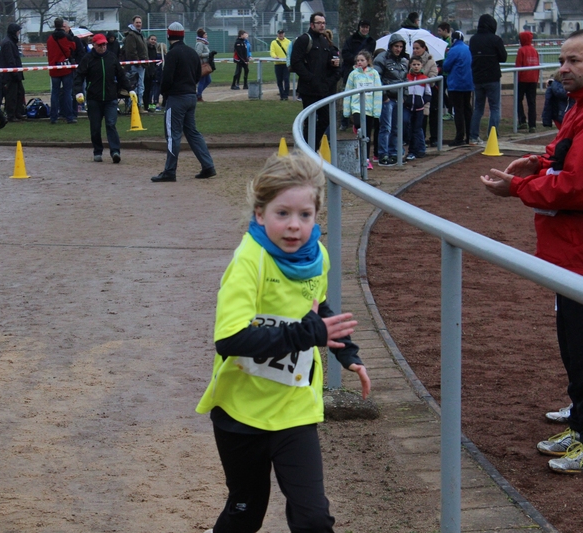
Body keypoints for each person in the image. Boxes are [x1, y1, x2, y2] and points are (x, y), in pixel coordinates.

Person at [480, 29, 583, 474]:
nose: (563, 68)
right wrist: (539, 164)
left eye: (574, 61)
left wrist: (519, 188)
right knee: (575, 341)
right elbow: (566, 157)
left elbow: (582, 187)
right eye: (562, 60)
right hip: (576, 248)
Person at [196, 151, 371, 533]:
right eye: (283, 213)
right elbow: (230, 338)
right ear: (260, 214)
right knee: (245, 513)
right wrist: (308, 334)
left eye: (305, 215)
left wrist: (347, 352)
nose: (294, 225)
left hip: (295, 409)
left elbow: (317, 307)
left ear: (316, 216)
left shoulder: (317, 256)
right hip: (241, 411)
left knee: (314, 520)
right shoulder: (250, 261)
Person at [150, 22, 215, 183]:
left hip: (176, 98)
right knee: (192, 132)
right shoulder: (192, 52)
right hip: (191, 96)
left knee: (173, 135)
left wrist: (164, 94)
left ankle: (169, 171)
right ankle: (208, 165)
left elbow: (167, 79)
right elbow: (198, 74)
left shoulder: (172, 54)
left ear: (169, 35)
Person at [73, 33, 130, 163]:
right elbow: (79, 76)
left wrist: (129, 89)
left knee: (111, 124)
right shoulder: (87, 59)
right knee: (95, 127)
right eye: (100, 45)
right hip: (94, 98)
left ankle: (115, 151)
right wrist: (78, 92)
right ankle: (97, 151)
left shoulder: (112, 57)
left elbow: (121, 75)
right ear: (94, 45)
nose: (103, 47)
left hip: (111, 98)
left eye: (104, 44)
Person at [291, 12, 341, 151]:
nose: (322, 26)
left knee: (326, 119)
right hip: (308, 89)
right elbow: (296, 62)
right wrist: (310, 78)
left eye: (323, 23)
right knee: (309, 121)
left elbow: (327, 63)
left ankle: (312, 146)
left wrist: (334, 64)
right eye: (319, 23)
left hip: (323, 89)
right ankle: (308, 150)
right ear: (312, 24)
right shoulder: (304, 40)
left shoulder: (324, 41)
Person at [468, 14, 507, 144]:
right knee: (494, 107)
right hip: (492, 77)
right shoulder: (496, 39)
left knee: (478, 108)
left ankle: (473, 136)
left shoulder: (473, 39)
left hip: (477, 77)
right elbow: (503, 57)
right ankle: (492, 136)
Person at [372, 33, 408, 165]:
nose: (398, 49)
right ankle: (383, 154)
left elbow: (405, 80)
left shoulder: (404, 61)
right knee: (386, 127)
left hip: (399, 98)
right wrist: (384, 96)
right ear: (391, 46)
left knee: (397, 127)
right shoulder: (381, 58)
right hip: (387, 99)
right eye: (396, 46)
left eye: (400, 47)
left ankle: (394, 153)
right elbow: (376, 78)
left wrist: (404, 96)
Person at [343, 51, 382, 169]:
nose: (359, 62)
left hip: (369, 107)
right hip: (357, 106)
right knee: (359, 124)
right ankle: (356, 127)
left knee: (367, 135)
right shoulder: (353, 74)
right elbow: (348, 91)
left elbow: (378, 92)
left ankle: (366, 159)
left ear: (368, 61)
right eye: (358, 60)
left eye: (362, 60)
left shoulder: (374, 73)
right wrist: (346, 110)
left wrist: (377, 111)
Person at [443, 30, 474, 146]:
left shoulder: (453, 50)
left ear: (453, 39)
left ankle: (459, 137)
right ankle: (470, 135)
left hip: (456, 84)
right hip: (468, 83)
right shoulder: (468, 48)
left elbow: (446, 66)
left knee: (458, 110)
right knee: (467, 109)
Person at [47, 18, 77, 124]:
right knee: (67, 93)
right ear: (62, 26)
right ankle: (69, 116)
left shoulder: (50, 38)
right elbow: (73, 47)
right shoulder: (67, 37)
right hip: (65, 68)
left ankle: (53, 117)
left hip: (54, 68)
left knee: (54, 93)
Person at [411, 40, 438, 144]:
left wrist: (423, 78)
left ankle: (434, 138)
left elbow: (433, 75)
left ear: (424, 48)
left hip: (429, 90)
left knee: (432, 114)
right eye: (414, 48)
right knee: (420, 115)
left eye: (417, 48)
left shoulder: (431, 61)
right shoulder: (411, 60)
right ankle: (420, 139)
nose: (415, 50)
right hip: (416, 91)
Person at [404, 56, 431, 160]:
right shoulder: (407, 77)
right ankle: (413, 150)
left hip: (419, 109)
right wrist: (405, 100)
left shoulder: (424, 79)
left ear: (421, 66)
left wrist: (422, 102)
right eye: (414, 64)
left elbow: (428, 94)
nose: (416, 67)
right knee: (408, 127)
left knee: (417, 129)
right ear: (410, 65)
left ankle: (418, 150)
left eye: (418, 64)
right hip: (408, 107)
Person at [0, 23, 25, 122]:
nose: (19, 33)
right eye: (18, 31)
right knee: (12, 95)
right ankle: (11, 115)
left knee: (20, 93)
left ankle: (17, 113)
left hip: (15, 73)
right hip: (10, 74)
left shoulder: (10, 42)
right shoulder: (8, 43)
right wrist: (15, 73)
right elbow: (10, 60)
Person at [515, 31, 539, 133]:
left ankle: (522, 120)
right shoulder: (534, 50)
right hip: (533, 79)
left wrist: (517, 79)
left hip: (522, 80)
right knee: (532, 102)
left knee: (518, 100)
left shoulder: (521, 50)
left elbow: (518, 66)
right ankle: (532, 125)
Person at [123, 15, 147, 103]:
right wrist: (138, 62)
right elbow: (131, 51)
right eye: (137, 22)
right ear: (133, 23)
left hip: (141, 64)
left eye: (140, 22)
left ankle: (138, 104)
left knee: (140, 86)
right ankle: (134, 105)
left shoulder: (139, 34)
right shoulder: (132, 35)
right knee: (136, 86)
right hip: (136, 65)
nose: (138, 24)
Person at [436, 22, 453, 121]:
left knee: (449, 92)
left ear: (445, 30)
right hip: (443, 72)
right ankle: (449, 109)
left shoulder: (450, 42)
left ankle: (450, 111)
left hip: (448, 72)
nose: (438, 32)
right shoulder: (442, 41)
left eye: (440, 31)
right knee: (440, 91)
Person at [270, 29, 290, 101]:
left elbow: (290, 51)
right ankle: (282, 95)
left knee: (286, 79)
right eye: (279, 33)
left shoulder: (288, 42)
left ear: (284, 34)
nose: (280, 35)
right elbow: (272, 51)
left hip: (286, 64)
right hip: (278, 64)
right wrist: (275, 56)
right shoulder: (274, 42)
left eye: (282, 33)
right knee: (279, 80)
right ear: (277, 34)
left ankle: (286, 95)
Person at [195, 29, 211, 102]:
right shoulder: (200, 44)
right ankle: (198, 96)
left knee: (208, 80)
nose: (206, 36)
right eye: (205, 34)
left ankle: (198, 94)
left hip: (205, 64)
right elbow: (198, 54)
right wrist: (208, 54)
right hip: (202, 65)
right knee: (202, 80)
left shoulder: (204, 43)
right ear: (202, 35)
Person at [145, 34, 160, 109]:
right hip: (146, 70)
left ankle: (148, 104)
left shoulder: (154, 49)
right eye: (152, 39)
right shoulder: (145, 48)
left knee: (150, 89)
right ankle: (146, 104)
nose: (153, 41)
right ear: (148, 39)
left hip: (152, 71)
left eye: (155, 40)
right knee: (146, 89)